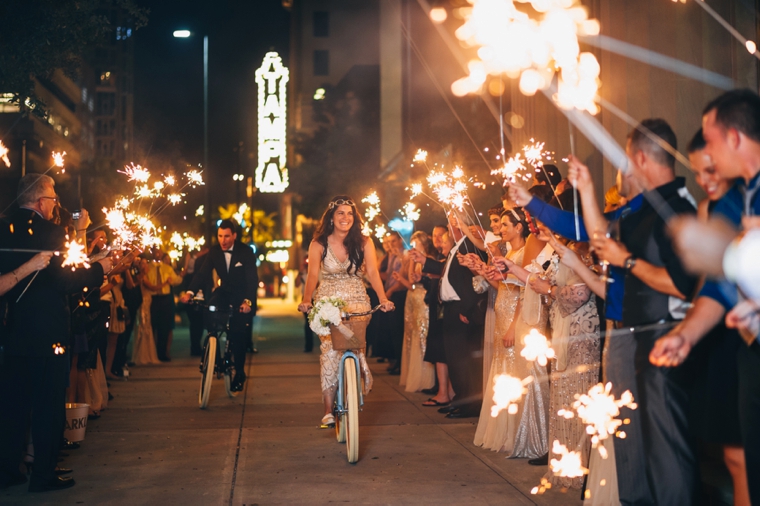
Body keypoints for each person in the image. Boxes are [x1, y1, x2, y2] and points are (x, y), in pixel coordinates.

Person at [572, 118, 699, 506]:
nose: (625, 167)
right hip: (635, 333)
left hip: (665, 335)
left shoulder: (679, 209)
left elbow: (682, 284)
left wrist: (627, 262)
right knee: (632, 439)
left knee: (664, 449)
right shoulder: (642, 211)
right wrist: (588, 191)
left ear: (641, 158)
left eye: (627, 158)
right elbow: (600, 238)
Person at [650, 89, 760, 505]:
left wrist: (726, 254)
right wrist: (688, 334)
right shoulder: (735, 199)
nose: (707, 156)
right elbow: (719, 283)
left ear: (733, 138)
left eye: (710, 142)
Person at [0, 174, 111, 492]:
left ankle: (8, 468)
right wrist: (99, 269)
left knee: (14, 405)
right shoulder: (51, 233)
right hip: (48, 336)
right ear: (39, 202)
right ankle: (43, 474)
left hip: (12, 335)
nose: (55, 204)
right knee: (48, 406)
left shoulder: (3, 227)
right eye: (53, 198)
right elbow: (67, 281)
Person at [297, 196, 393, 426]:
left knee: (355, 343)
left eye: (350, 213)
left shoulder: (364, 242)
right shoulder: (318, 243)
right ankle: (328, 409)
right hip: (328, 302)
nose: (345, 218)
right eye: (340, 213)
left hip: (358, 299)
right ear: (331, 216)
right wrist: (306, 299)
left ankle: (353, 383)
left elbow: (372, 272)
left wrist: (383, 298)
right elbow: (312, 276)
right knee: (330, 351)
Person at [419, 213, 487, 419]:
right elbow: (446, 272)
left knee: (464, 361)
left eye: (451, 224)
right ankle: (459, 400)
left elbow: (474, 283)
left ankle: (471, 405)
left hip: (462, 310)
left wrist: (468, 310)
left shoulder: (469, 245)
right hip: (450, 309)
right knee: (455, 359)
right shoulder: (456, 247)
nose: (448, 229)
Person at [471, 208, 528, 452]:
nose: (501, 229)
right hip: (501, 313)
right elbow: (502, 286)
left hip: (514, 318)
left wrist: (514, 328)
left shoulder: (525, 253)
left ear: (519, 228)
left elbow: (523, 292)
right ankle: (502, 430)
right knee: (502, 369)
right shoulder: (510, 252)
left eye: (506, 225)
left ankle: (515, 432)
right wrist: (483, 271)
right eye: (501, 225)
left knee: (514, 371)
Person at [181, 220, 258, 392]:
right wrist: (190, 293)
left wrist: (248, 301)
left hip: (242, 295)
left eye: (227, 236)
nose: (223, 240)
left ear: (234, 236)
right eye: (220, 236)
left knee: (238, 334)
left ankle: (239, 372)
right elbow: (201, 274)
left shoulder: (245, 252)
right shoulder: (215, 252)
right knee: (210, 308)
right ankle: (212, 343)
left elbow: (252, 281)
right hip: (224, 292)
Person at [397, 231, 436, 393]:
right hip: (412, 299)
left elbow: (417, 281)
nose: (413, 247)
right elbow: (411, 280)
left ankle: (426, 378)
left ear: (424, 244)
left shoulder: (429, 260)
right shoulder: (414, 260)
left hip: (422, 299)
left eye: (416, 244)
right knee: (412, 334)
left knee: (422, 335)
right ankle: (414, 375)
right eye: (412, 244)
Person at [145, 249, 183, 362]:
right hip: (153, 298)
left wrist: (180, 276)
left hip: (165, 298)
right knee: (153, 325)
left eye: (160, 252)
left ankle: (162, 353)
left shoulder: (167, 268)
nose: (158, 254)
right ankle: (153, 352)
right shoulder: (148, 267)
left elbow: (176, 280)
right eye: (156, 252)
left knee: (164, 326)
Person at [132, 257, 161, 366]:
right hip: (143, 302)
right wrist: (165, 283)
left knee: (147, 325)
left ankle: (147, 353)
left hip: (147, 302)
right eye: (142, 263)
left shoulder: (145, 276)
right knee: (143, 325)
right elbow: (152, 288)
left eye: (145, 263)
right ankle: (142, 354)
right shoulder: (141, 277)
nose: (144, 265)